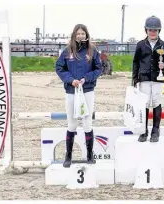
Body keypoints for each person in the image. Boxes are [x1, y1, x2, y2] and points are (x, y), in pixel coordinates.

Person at [55, 24, 102, 167]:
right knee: (72, 124)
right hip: (71, 91)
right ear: (74, 35)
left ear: (86, 35)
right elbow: (59, 68)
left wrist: (86, 78)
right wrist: (71, 80)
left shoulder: (92, 51)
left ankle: (89, 154)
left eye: (83, 33)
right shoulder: (67, 51)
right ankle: (68, 156)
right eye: (78, 33)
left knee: (87, 122)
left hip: (87, 90)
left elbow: (99, 69)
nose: (80, 36)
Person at [132, 15, 164, 143]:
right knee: (144, 104)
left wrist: (163, 66)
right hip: (144, 78)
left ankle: (155, 131)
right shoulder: (140, 45)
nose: (152, 32)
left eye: (155, 30)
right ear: (146, 30)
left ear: (159, 31)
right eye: (150, 30)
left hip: (158, 78)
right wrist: (134, 78)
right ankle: (144, 131)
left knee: (156, 103)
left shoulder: (163, 45)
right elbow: (136, 62)